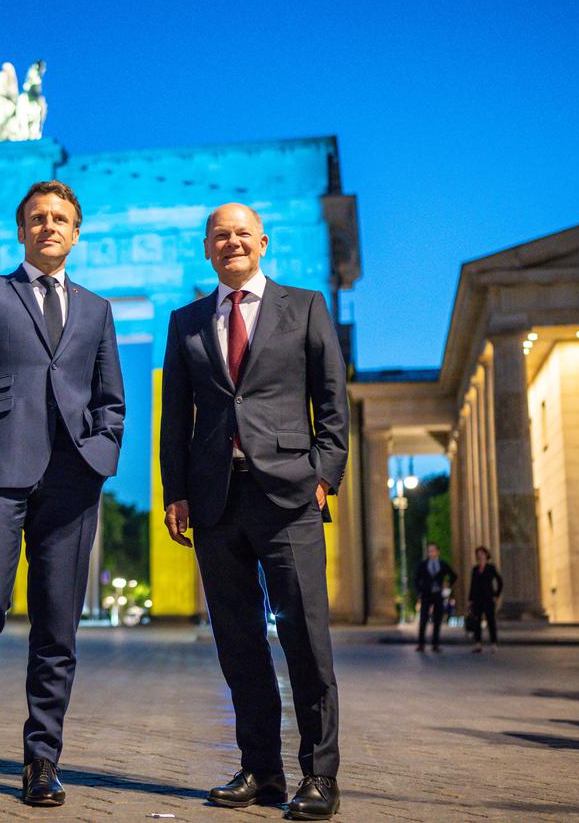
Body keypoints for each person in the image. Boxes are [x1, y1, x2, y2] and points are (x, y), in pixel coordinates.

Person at [0, 180, 124, 807]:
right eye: (37, 218)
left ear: (76, 231)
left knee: (58, 625)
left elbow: (110, 400)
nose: (49, 227)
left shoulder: (96, 310)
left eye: (61, 218)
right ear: (21, 231)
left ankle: (42, 762)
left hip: (72, 480)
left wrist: (100, 456)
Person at [160, 203, 348, 820]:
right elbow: (175, 417)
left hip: (288, 495)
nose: (231, 242)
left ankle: (319, 777)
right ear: (207, 249)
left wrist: (322, 476)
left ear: (263, 243)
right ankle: (262, 772)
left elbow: (332, 401)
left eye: (242, 233)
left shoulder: (306, 306)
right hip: (216, 502)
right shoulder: (185, 320)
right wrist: (176, 491)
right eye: (220, 235)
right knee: (238, 643)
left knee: (305, 639)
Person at [415, 543, 456, 653]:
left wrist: (448, 584)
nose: (431, 553)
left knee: (437, 620)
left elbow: (453, 575)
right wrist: (419, 592)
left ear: (438, 552)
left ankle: (435, 644)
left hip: (438, 594)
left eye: (433, 550)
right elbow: (416, 578)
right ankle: (421, 644)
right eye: (429, 551)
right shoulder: (423, 564)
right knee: (423, 619)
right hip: (426, 594)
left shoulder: (443, 564)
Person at [468, 546, 503, 653]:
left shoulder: (491, 568)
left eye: (482, 553)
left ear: (486, 555)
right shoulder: (475, 569)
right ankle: (478, 644)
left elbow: (500, 582)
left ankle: (494, 643)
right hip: (477, 599)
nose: (480, 555)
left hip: (488, 598)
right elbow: (472, 585)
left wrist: (496, 595)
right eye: (478, 553)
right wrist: (470, 599)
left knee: (491, 621)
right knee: (476, 622)